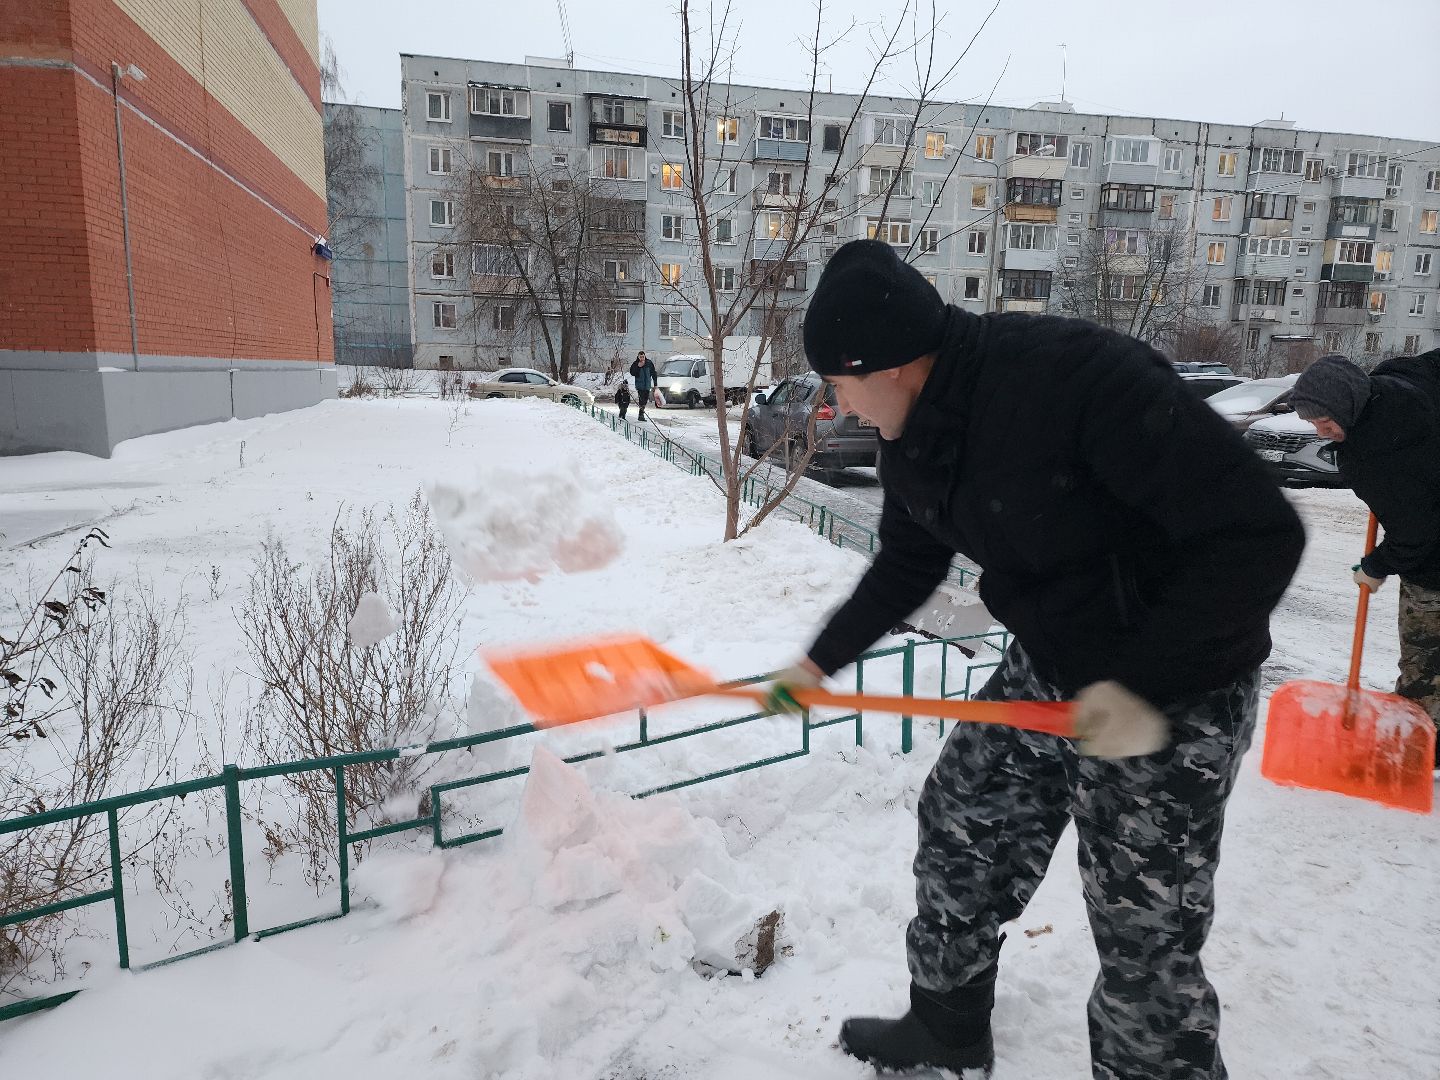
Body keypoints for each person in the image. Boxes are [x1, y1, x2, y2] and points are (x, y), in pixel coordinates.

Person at [766, 240, 1305, 1079]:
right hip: (1051, 667)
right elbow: (910, 561)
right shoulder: (911, 437)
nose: (837, 408)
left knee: (1142, 937)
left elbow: (1260, 538)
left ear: (892, 364)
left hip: (1177, 686)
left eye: (839, 386)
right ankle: (947, 1029)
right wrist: (818, 662)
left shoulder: (1078, 380)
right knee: (961, 825)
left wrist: (1142, 687)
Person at [1289, 351, 1440, 761]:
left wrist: (1376, 565)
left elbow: (1417, 535)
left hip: (1434, 569)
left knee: (1426, 663)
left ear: (1347, 406)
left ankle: (1416, 756)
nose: (1322, 433)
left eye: (1326, 421)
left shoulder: (1372, 459)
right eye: (1313, 424)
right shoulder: (1401, 379)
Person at [630, 351, 658, 421]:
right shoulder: (635, 363)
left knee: (645, 399)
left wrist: (655, 384)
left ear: (645, 356)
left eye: (643, 357)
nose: (642, 358)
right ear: (638, 357)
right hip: (639, 385)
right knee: (641, 399)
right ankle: (641, 415)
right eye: (640, 357)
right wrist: (638, 367)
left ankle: (641, 412)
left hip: (647, 384)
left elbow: (654, 373)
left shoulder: (649, 363)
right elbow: (632, 373)